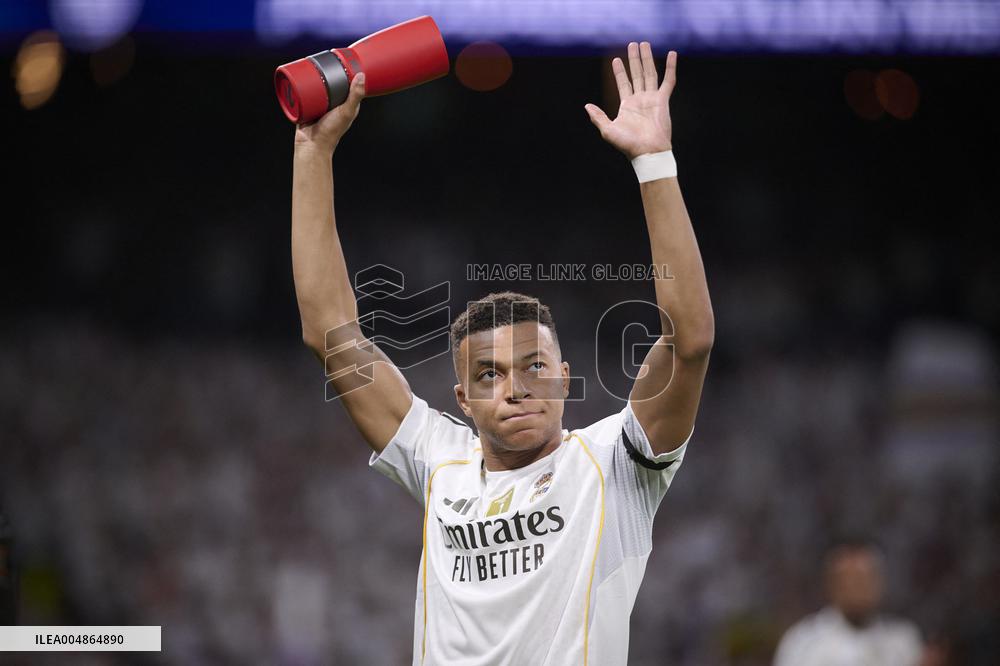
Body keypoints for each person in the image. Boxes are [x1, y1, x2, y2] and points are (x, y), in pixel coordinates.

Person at [290, 41, 713, 665]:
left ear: (565, 378)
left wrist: (654, 163)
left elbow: (690, 341)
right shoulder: (440, 461)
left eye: (534, 367)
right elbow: (330, 333)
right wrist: (312, 151)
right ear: (462, 399)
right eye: (489, 375)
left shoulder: (614, 465)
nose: (516, 388)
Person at [773, 539, 923, 666]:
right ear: (832, 584)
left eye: (866, 578)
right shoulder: (803, 642)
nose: (859, 588)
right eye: (851, 579)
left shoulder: (903, 640)